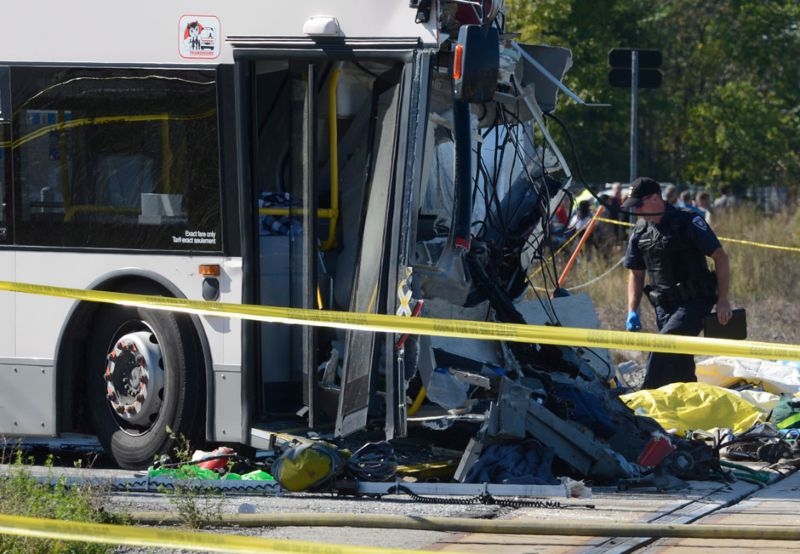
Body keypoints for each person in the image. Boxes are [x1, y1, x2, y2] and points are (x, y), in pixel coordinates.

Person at [622, 177, 733, 389]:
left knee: (662, 347)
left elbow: (720, 257)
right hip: (664, 307)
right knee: (679, 361)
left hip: (695, 301)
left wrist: (723, 300)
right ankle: (687, 403)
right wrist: (632, 311)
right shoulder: (639, 231)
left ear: (655, 198)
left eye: (639, 205)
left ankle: (645, 398)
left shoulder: (687, 221)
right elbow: (636, 274)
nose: (636, 211)